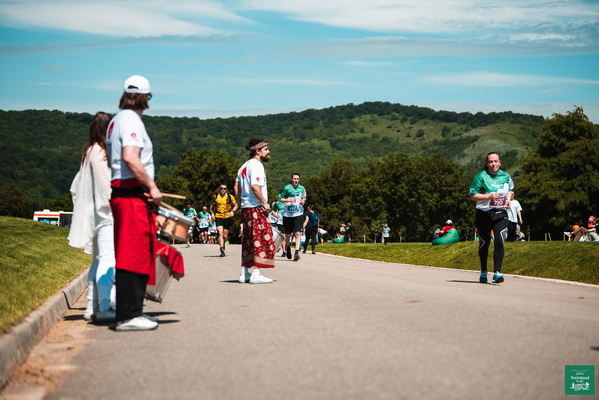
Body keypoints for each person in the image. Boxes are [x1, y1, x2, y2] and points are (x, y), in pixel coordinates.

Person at [107, 75, 160, 331]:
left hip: (124, 191)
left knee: (134, 251)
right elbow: (130, 157)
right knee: (132, 253)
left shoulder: (117, 119)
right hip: (131, 192)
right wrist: (152, 186)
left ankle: (133, 311)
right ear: (145, 98)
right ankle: (128, 315)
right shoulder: (130, 120)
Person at [68, 112, 116, 322]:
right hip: (105, 214)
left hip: (93, 214)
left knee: (97, 260)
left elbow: (76, 186)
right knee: (108, 258)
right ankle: (105, 306)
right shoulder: (100, 152)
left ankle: (91, 306)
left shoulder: (88, 151)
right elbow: (106, 187)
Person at [234, 137, 276, 284]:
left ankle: (244, 273)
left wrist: (240, 203)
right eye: (265, 149)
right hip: (256, 207)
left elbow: (236, 187)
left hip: (246, 208)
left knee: (248, 240)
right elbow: (255, 186)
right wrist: (264, 203)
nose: (268, 152)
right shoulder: (257, 165)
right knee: (261, 238)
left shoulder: (243, 166)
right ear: (257, 151)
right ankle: (256, 273)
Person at [469, 152, 514, 284]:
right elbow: (473, 196)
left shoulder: (506, 176)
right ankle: (484, 271)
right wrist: (488, 196)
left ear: (500, 162)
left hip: (500, 213)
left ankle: (497, 273)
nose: (493, 164)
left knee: (499, 241)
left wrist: (508, 199)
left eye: (495, 161)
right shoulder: (480, 177)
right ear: (487, 164)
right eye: (490, 162)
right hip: (483, 214)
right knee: (484, 244)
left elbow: (510, 189)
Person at [279, 172, 307, 261]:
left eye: (297, 179)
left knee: (297, 233)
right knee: (288, 234)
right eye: (294, 179)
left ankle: (297, 252)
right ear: (291, 179)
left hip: (298, 214)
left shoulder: (302, 188)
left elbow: (304, 197)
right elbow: (280, 199)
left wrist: (303, 201)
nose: (296, 181)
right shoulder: (286, 188)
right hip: (287, 214)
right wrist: (289, 200)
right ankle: (288, 248)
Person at [210, 184, 238, 257]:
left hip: (227, 216)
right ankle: (222, 249)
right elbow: (211, 207)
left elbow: (236, 205)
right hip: (218, 216)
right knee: (220, 233)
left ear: (227, 189)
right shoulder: (216, 197)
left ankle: (224, 243)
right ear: (219, 189)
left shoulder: (230, 196)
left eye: (225, 189)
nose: (223, 190)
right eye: (222, 188)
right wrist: (212, 214)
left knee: (225, 235)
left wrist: (232, 211)